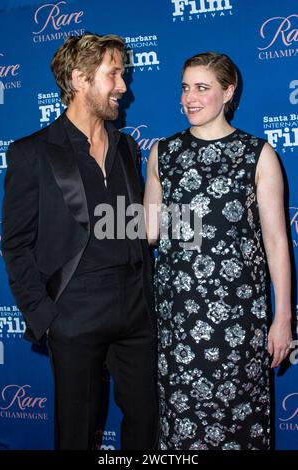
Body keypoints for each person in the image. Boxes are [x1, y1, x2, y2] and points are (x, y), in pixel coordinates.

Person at [2, 33, 158, 450]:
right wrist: (46, 316)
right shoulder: (31, 153)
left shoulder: (126, 146)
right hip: (75, 310)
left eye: (122, 74)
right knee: (77, 430)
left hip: (136, 307)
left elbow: (133, 224)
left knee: (147, 422)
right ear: (79, 79)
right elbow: (15, 244)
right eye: (114, 75)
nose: (123, 87)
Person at [144, 52, 293, 450]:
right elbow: (149, 232)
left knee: (240, 423)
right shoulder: (164, 153)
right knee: (181, 430)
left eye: (202, 87)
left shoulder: (257, 155)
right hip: (177, 318)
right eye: (185, 87)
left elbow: (277, 241)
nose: (189, 98)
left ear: (228, 92)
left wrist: (282, 319)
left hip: (239, 320)